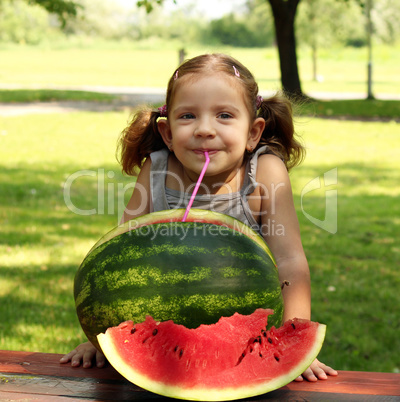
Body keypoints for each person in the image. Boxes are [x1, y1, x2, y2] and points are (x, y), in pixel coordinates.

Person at [61, 53, 338, 382]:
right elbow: (119, 264)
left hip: (247, 332)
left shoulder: (265, 171)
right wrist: (102, 335)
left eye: (224, 115)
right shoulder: (157, 170)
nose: (205, 130)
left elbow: (290, 260)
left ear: (253, 132)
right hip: (164, 330)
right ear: (167, 132)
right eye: (188, 116)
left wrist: (294, 341)